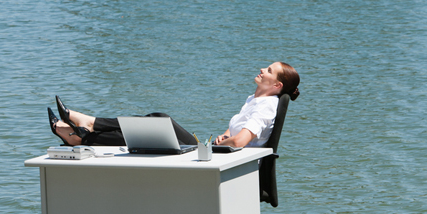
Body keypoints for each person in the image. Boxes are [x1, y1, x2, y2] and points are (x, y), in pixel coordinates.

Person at [48, 62, 300, 148]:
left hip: (229, 164)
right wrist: (224, 136)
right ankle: (82, 137)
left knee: (161, 122)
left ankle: (88, 126)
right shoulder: (254, 100)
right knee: (155, 128)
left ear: (277, 85)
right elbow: (233, 133)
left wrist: (228, 142)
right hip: (217, 155)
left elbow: (242, 141)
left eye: (268, 70)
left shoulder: (267, 106)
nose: (261, 69)